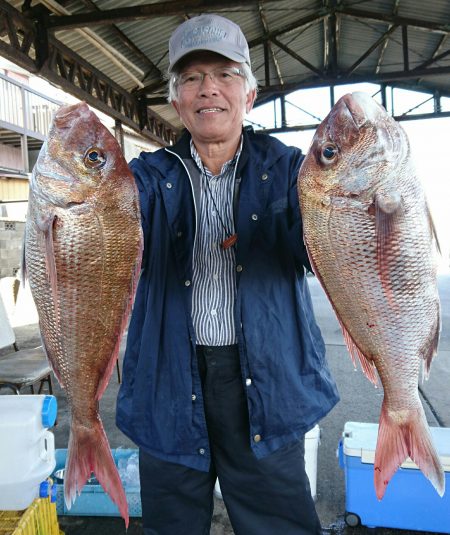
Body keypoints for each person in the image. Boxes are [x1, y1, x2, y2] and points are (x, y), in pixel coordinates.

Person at [116, 13, 339, 535]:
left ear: (250, 94)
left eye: (225, 74)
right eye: (192, 78)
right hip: (169, 379)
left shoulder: (291, 171)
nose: (208, 89)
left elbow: (327, 247)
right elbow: (105, 230)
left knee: (279, 526)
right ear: (175, 100)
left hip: (266, 379)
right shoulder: (147, 177)